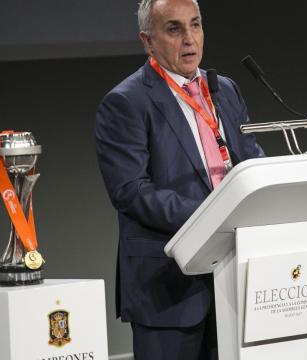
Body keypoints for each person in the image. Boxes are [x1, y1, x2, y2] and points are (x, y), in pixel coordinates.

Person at [95, 0, 264, 358]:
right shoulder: (126, 102)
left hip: (236, 278)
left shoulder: (225, 90)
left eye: (196, 25)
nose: (189, 39)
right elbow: (130, 191)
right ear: (148, 40)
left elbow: (250, 160)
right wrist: (214, 215)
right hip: (167, 286)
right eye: (174, 29)